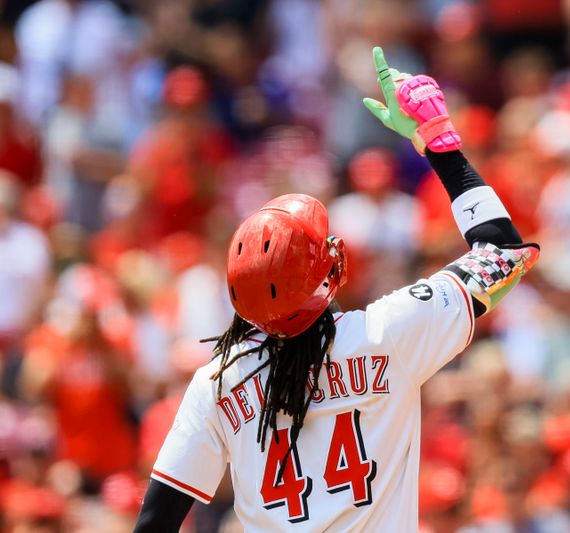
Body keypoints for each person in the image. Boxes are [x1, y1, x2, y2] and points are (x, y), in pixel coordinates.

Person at [133, 47, 539, 532]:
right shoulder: (388, 333)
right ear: (328, 272)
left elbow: (156, 521)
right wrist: (440, 144)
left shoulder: (220, 380)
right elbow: (503, 251)